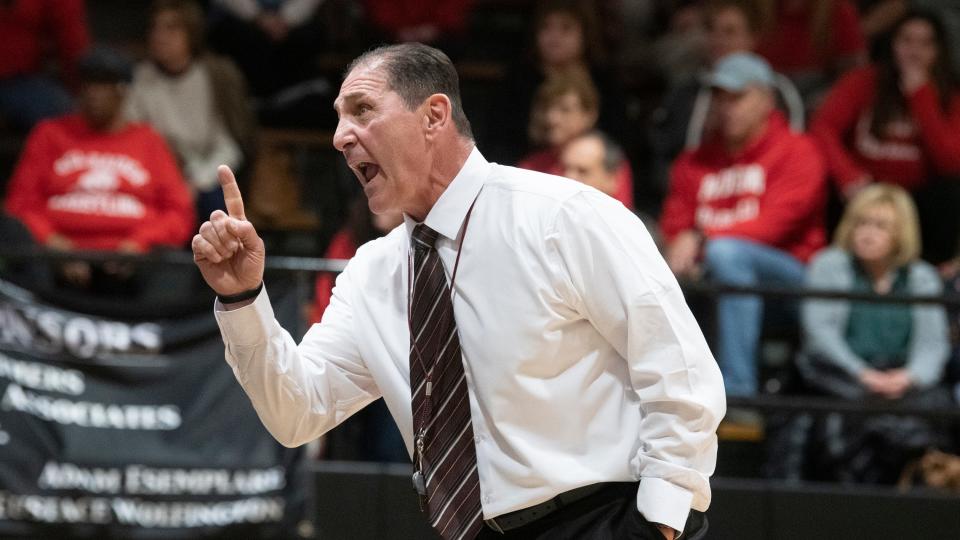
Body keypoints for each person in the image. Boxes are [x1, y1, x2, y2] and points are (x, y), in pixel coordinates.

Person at [193, 43, 724, 540]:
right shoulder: (372, 274)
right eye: (337, 117)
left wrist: (662, 517)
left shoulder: (563, 216)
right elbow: (297, 412)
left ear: (434, 116)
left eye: (361, 110)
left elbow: (678, 368)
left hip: (604, 518)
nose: (339, 136)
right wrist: (244, 300)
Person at [660, 52, 827, 397]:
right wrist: (682, 244)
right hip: (708, 278)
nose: (726, 107)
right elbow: (675, 224)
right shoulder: (693, 161)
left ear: (767, 100)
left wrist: (701, 240)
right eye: (719, 98)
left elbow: (773, 227)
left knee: (727, 255)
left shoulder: (798, 151)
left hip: (788, 284)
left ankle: (738, 392)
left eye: (738, 97)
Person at [3, 47, 194, 293]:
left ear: (123, 91)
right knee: (15, 240)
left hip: (131, 259)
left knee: (174, 264)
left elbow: (178, 212)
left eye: (104, 85)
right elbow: (19, 204)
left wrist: (139, 243)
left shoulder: (148, 140)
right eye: (89, 84)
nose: (94, 93)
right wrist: (51, 242)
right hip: (54, 256)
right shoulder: (49, 134)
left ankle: (162, 331)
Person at [797, 183, 952, 482]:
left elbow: (933, 346)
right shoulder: (829, 265)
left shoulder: (921, 277)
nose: (867, 233)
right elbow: (820, 333)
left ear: (901, 233)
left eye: (880, 226)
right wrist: (863, 374)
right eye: (861, 223)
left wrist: (908, 377)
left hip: (902, 382)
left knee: (935, 412)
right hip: (843, 380)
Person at [810, 10, 960, 263]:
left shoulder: (951, 95)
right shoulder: (863, 81)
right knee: (823, 179)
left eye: (925, 43)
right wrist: (848, 176)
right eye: (907, 41)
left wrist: (921, 95)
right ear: (892, 45)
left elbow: (951, 162)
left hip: (919, 199)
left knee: (952, 193)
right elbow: (822, 129)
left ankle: (933, 276)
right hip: (863, 189)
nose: (914, 51)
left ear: (939, 51)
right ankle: (834, 265)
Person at [125, 0, 256, 220]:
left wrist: (197, 182)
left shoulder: (213, 76)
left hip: (203, 173)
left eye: (171, 28)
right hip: (156, 174)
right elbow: (132, 137)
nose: (160, 36)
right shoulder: (141, 77)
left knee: (217, 206)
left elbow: (227, 146)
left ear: (192, 33)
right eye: (155, 28)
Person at [486, 0, 626, 165]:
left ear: (585, 34)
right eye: (545, 27)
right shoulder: (518, 80)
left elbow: (619, 142)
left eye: (566, 28)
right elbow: (498, 141)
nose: (554, 37)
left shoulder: (602, 81)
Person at [519, 72, 634, 209]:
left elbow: (619, 218)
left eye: (565, 110)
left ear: (589, 114)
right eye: (546, 108)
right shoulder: (531, 166)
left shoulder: (607, 160)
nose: (552, 118)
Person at [0, 0, 90, 130]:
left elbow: (72, 42)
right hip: (20, 81)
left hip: (22, 81)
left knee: (69, 119)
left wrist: (82, 88)